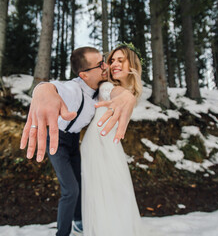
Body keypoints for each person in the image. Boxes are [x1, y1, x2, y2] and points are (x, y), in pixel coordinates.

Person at [20, 46, 137, 236]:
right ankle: (62, 233)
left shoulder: (99, 86)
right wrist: (43, 89)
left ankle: (78, 221)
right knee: (70, 191)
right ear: (83, 75)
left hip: (75, 141)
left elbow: (112, 91)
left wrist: (125, 95)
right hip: (57, 140)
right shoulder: (74, 89)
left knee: (80, 183)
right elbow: (56, 88)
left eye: (103, 61)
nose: (105, 66)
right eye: (100, 64)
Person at [81, 44, 148, 235]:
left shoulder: (130, 93)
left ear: (132, 64)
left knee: (119, 192)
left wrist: (128, 95)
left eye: (120, 60)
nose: (114, 64)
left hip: (112, 145)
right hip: (97, 145)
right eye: (112, 61)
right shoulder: (107, 86)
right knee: (103, 195)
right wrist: (124, 94)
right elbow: (111, 91)